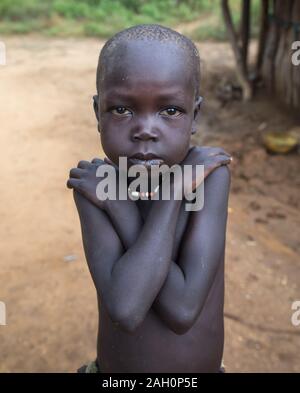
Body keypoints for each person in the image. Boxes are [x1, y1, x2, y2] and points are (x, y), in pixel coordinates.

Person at [67, 24, 232, 373]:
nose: (145, 129)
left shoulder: (209, 176)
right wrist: (174, 194)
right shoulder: (92, 184)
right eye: (122, 110)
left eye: (170, 110)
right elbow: (126, 306)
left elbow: (182, 310)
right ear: (98, 112)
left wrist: (120, 205)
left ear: (195, 116)